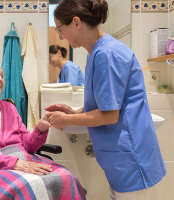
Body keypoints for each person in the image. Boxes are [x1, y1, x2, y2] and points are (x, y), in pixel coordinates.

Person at [45, 0, 166, 199]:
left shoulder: (107, 54)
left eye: (60, 28)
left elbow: (109, 115)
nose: (60, 36)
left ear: (76, 22)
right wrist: (75, 112)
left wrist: (67, 120)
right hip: (122, 158)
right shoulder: (96, 53)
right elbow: (106, 101)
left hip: (130, 159)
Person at [0, 56, 86, 200]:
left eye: (2, 75)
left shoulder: (9, 108)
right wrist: (15, 163)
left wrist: (40, 129)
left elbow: (28, 146)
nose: (0, 78)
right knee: (29, 186)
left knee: (66, 177)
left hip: (22, 159)